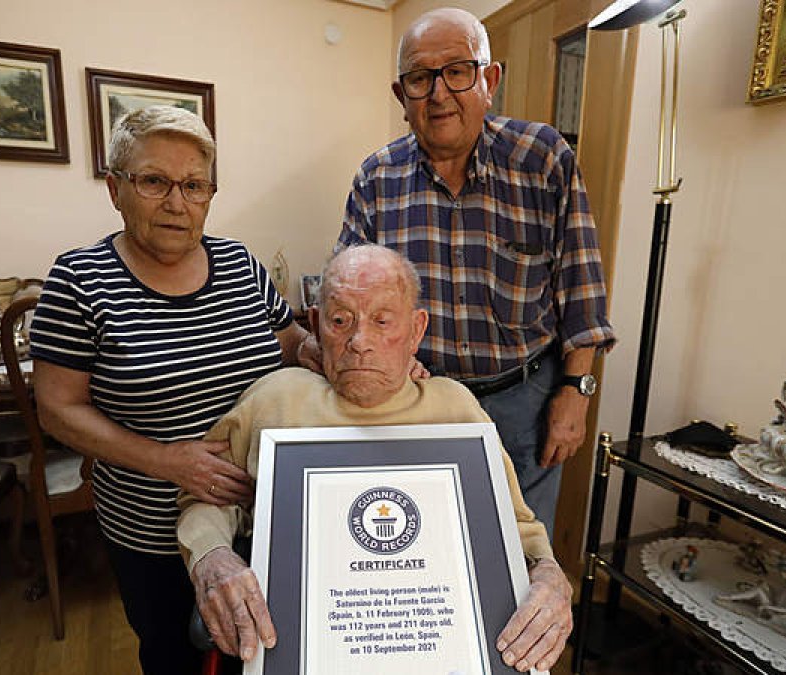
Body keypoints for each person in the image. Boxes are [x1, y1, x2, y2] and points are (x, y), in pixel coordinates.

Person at [177, 245, 573, 673]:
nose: (360, 343)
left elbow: (516, 528)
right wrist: (212, 556)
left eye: (383, 321)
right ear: (315, 325)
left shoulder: (454, 410)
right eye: (340, 321)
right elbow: (206, 501)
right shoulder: (276, 400)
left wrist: (549, 575)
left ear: (416, 330)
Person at [30, 105, 311, 674]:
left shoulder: (239, 263)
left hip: (262, 519)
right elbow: (57, 410)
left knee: (266, 657)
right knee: (175, 657)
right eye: (154, 181)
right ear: (115, 188)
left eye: (194, 185)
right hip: (153, 534)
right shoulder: (80, 280)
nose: (177, 203)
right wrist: (168, 462)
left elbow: (293, 343)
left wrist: (359, 354)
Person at [337, 7, 616, 538]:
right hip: (420, 399)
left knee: (519, 556)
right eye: (420, 78)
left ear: (490, 80)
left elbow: (582, 288)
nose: (439, 94)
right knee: (427, 547)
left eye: (458, 71)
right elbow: (347, 295)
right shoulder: (376, 177)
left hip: (525, 402)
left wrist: (576, 392)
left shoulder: (543, 159)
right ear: (402, 97)